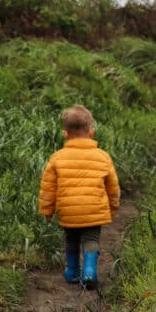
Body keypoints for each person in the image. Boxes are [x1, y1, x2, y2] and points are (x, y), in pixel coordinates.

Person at [38, 105, 120, 288]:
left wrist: (47, 209)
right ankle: (90, 272)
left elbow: (48, 188)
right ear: (91, 132)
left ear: (65, 134)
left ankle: (73, 271)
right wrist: (113, 207)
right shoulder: (103, 157)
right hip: (93, 209)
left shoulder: (57, 158)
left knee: (71, 239)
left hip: (69, 210)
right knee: (91, 239)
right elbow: (113, 187)